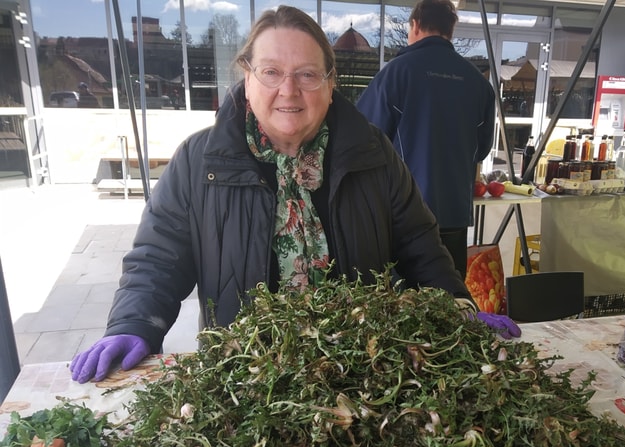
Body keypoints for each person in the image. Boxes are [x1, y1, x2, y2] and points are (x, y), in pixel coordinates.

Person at [69, 6, 518, 384]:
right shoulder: (198, 160)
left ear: (329, 83)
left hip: (359, 377)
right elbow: (157, 260)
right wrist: (132, 324)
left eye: (307, 74)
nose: (289, 90)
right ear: (247, 78)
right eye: (271, 72)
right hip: (242, 382)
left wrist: (456, 304)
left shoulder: (373, 153)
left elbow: (421, 245)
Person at [356, 0, 495, 277]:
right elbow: (481, 150)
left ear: (415, 25)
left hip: (404, 216)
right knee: (448, 302)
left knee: (402, 306)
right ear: (450, 30)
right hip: (454, 213)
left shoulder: (395, 74)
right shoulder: (478, 83)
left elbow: (363, 142)